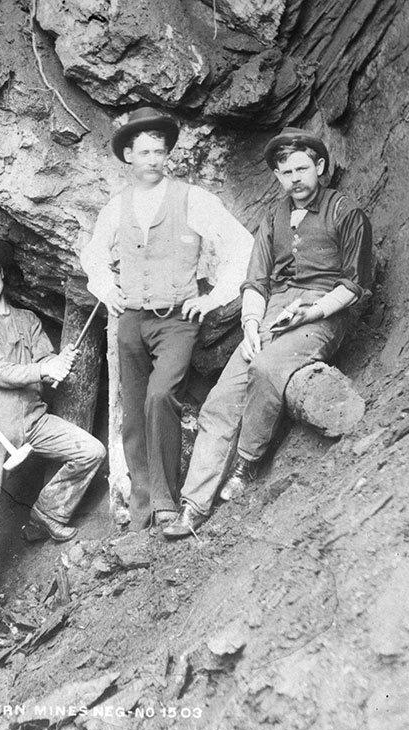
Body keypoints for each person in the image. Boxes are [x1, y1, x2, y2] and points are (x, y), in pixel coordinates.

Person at [164, 127, 374, 539]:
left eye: (301, 168)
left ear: (320, 167)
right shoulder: (273, 217)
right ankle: (193, 505)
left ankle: (247, 461)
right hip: (273, 309)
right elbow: (256, 282)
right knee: (219, 400)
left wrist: (311, 312)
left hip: (324, 313)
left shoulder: (346, 212)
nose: (294, 179)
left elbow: (354, 284)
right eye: (284, 172)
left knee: (267, 366)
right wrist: (250, 324)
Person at [80, 106, 254, 532]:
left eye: (160, 151)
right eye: (144, 152)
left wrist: (214, 299)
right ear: (128, 157)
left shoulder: (191, 198)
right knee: (135, 412)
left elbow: (242, 245)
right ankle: (142, 508)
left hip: (177, 318)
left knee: (161, 396)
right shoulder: (116, 207)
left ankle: (165, 501)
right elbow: (93, 254)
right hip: (131, 320)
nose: (154, 159)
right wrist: (106, 289)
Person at [0, 241, 106, 542]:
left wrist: (58, 361)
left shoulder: (27, 319)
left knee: (91, 451)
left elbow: (44, 360)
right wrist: (45, 369)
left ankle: (48, 515)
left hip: (35, 420)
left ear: (2, 274)